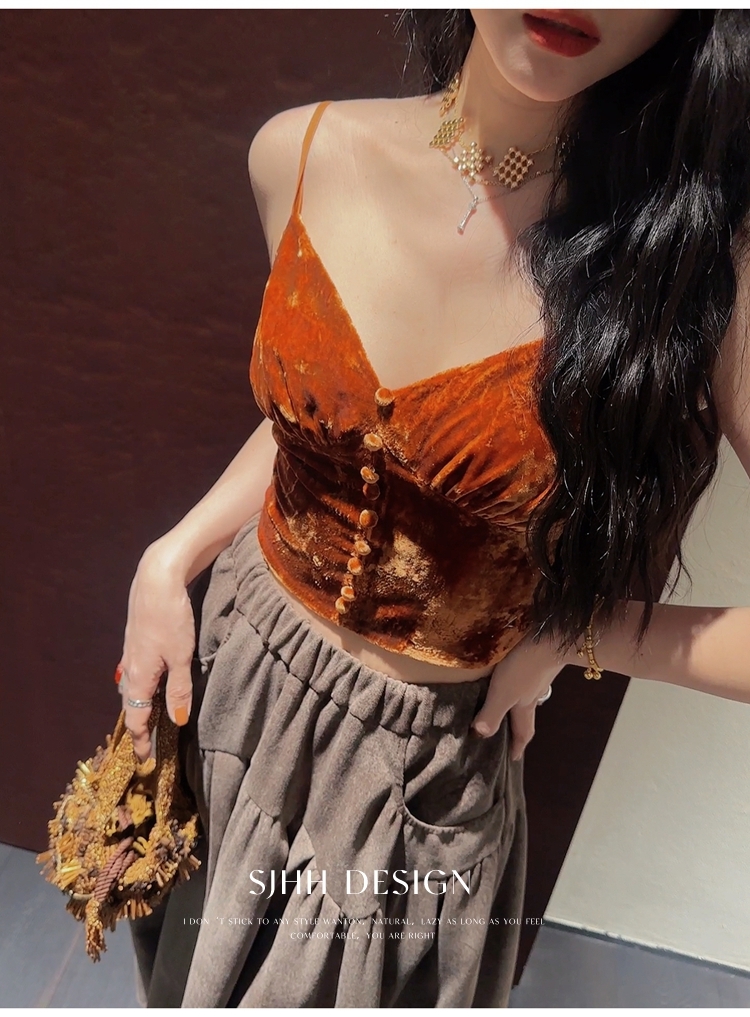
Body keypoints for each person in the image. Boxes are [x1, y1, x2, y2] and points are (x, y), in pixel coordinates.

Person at [119, 9, 750, 1008]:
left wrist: (583, 634)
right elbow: (328, 418)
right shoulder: (302, 150)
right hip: (231, 681)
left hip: (415, 776)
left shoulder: (700, 271)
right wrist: (173, 552)